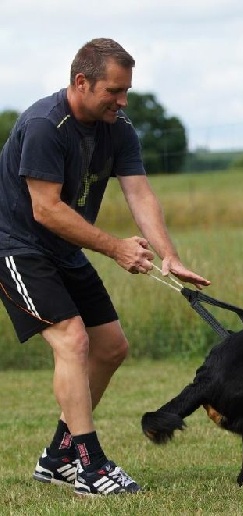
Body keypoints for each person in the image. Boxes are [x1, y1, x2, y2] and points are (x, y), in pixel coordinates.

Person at [0, 38, 211, 496]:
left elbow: (139, 192)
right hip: (16, 247)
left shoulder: (119, 128)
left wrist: (169, 255)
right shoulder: (44, 125)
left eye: (126, 90)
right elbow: (46, 209)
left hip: (65, 250)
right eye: (114, 91)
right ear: (82, 82)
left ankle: (59, 457)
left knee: (111, 347)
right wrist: (116, 248)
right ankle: (90, 466)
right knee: (73, 340)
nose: (123, 100)